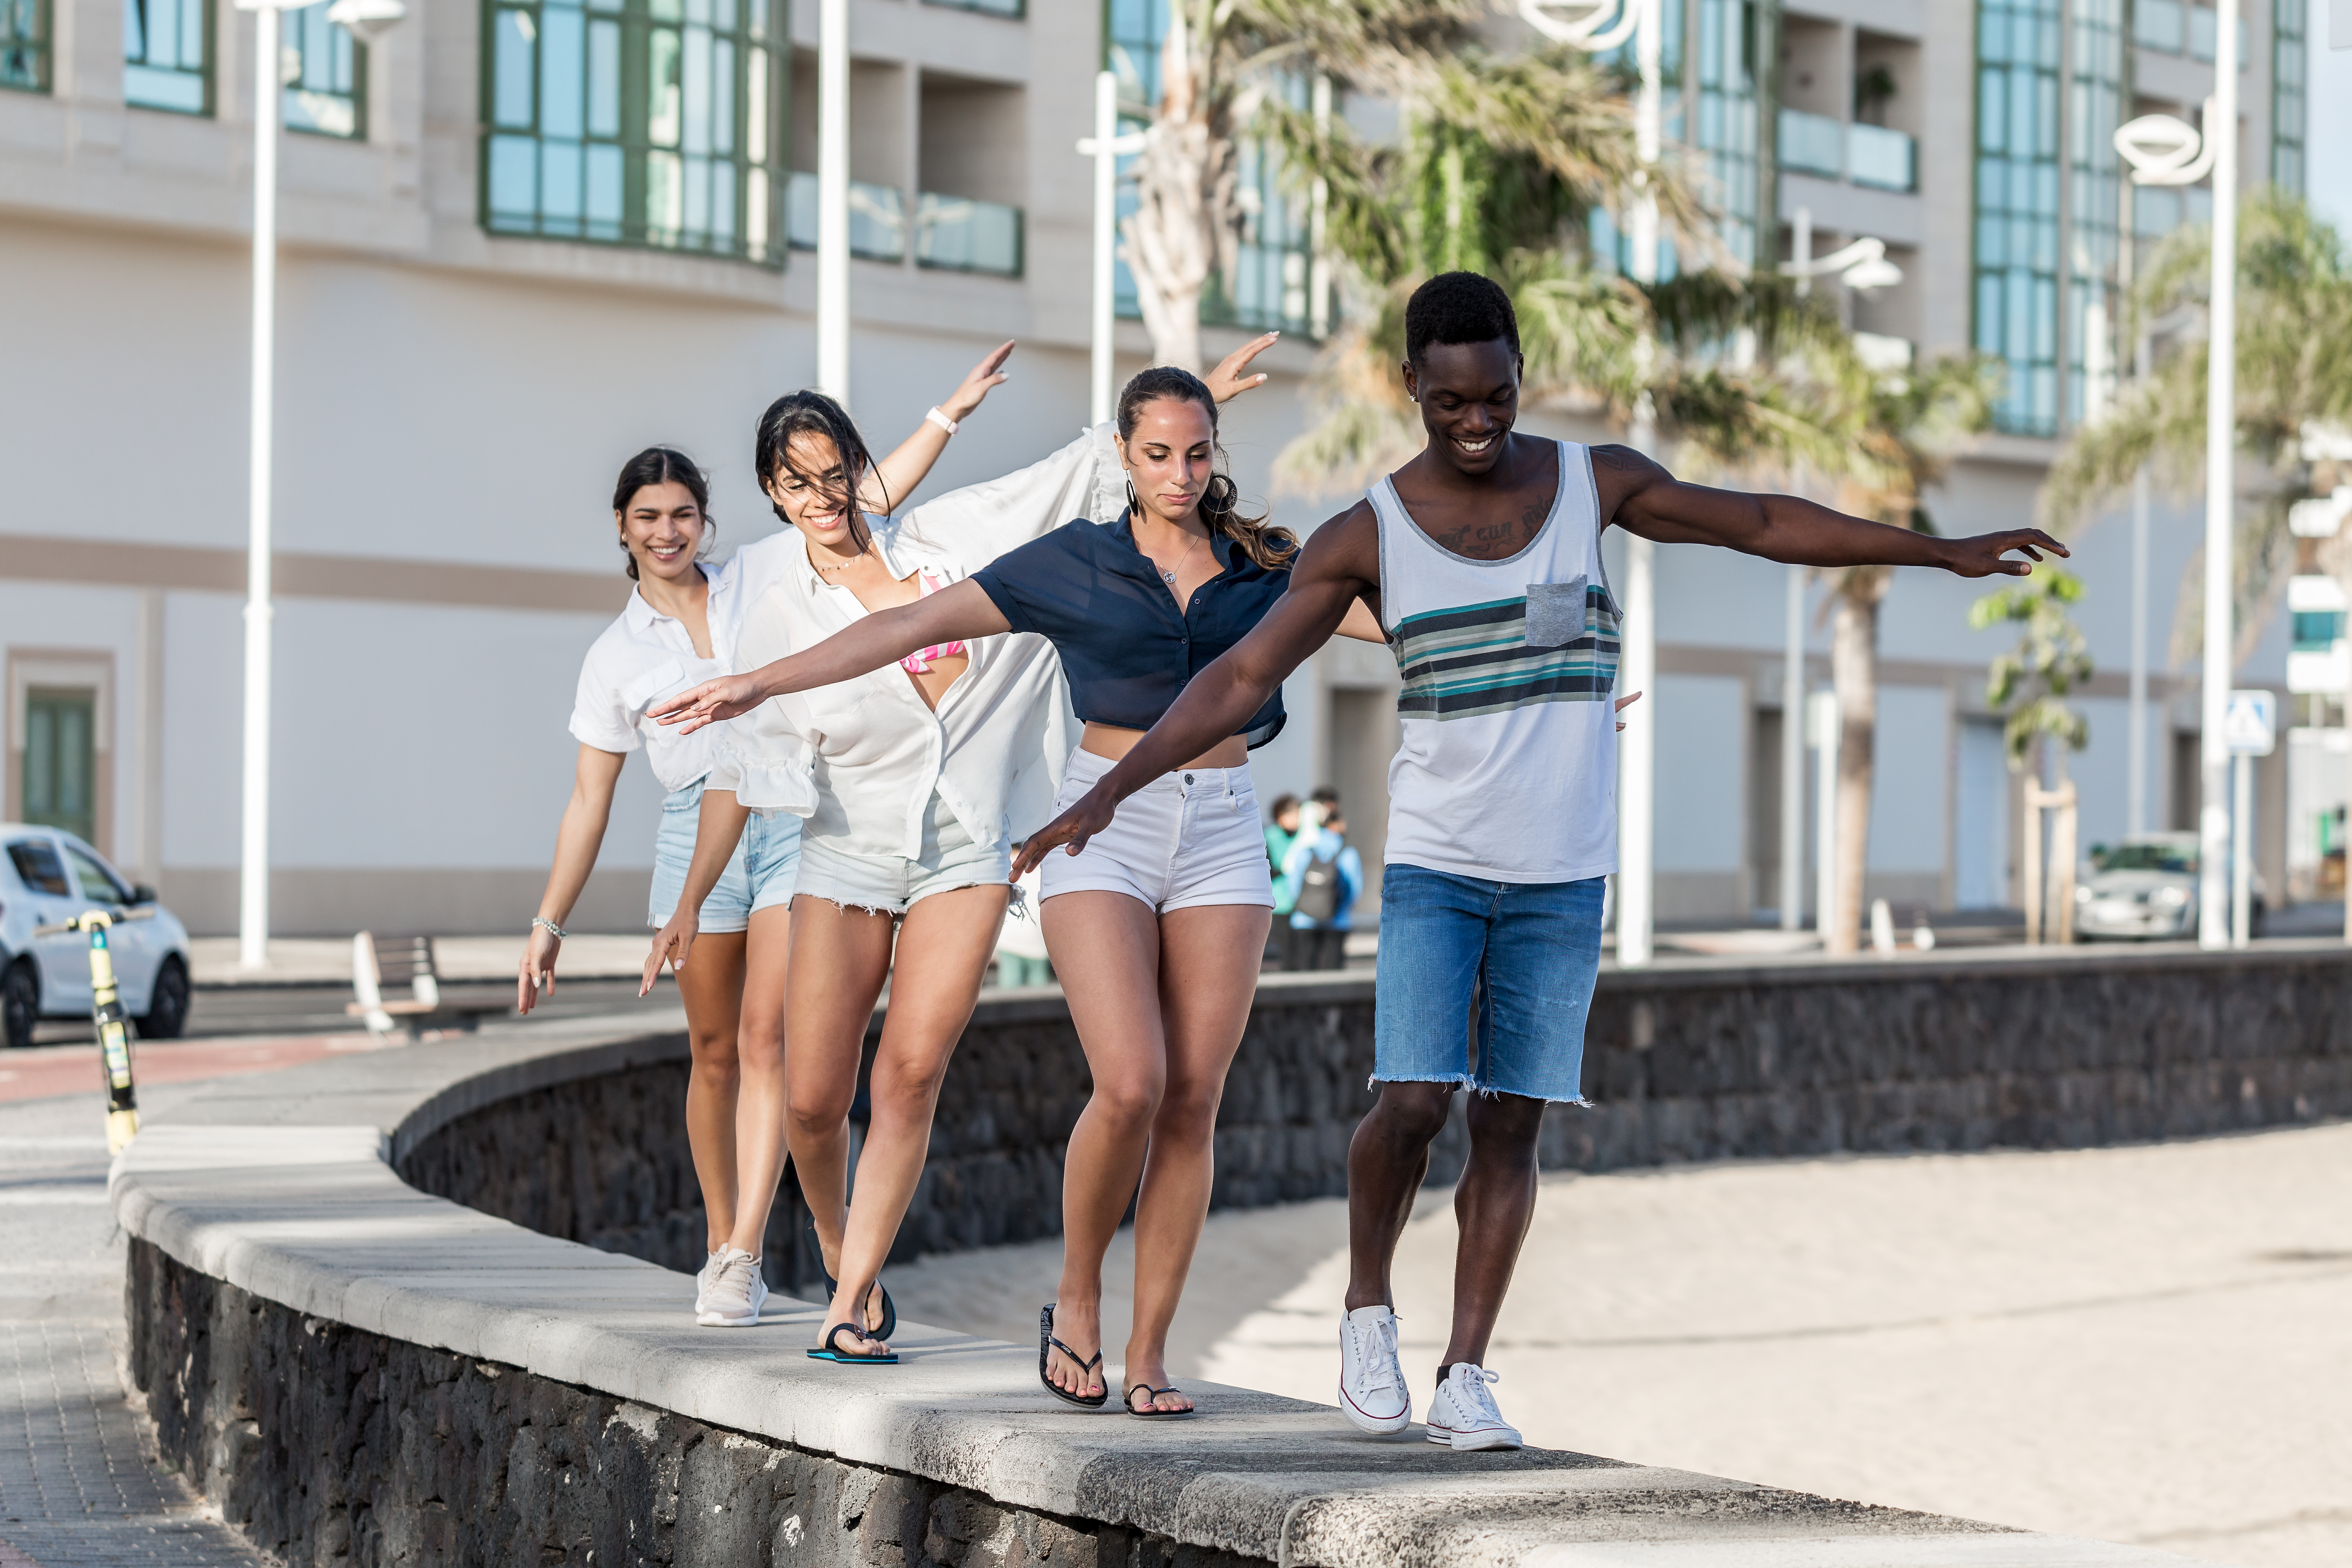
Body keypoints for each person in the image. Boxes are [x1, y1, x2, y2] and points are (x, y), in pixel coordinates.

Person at [1014, 271, 2068, 1450]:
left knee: (1512, 1120)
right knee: (1412, 1102)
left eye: (1499, 396)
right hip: (1437, 858)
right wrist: (1107, 790)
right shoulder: (1370, 530)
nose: (1478, 420)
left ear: (1521, 379)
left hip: (1563, 869)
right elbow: (1243, 678)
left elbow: (1761, 522)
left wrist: (1942, 551)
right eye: (1452, 399)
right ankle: (1368, 1308)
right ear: (1414, 386)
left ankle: (1467, 1369)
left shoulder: (1592, 483)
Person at [650, 352, 1390, 1414]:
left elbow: (1083, 473)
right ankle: (882, 1254)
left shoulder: (980, 542)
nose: (819, 501)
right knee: (829, 1100)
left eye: (833, 476)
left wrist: (1537, 689)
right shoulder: (814, 606)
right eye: (796, 484)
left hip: (999, 841)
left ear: (864, 471)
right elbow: (843, 684)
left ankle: (895, 1304)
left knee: (943, 1077)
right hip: (866, 846)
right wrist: (749, 696)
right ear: (773, 494)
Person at [518, 345, 1013, 1329]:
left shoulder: (761, 571)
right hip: (692, 830)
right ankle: (723, 1240)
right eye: (646, 517)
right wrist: (550, 920)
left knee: (766, 1037)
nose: (667, 532)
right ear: (621, 527)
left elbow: (857, 488)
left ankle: (757, 1248)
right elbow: (588, 799)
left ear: (711, 517)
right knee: (711, 1048)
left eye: (681, 514)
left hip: (791, 810)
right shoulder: (614, 655)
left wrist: (946, 416)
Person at [1281, 800, 1360, 971]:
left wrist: (1306, 906)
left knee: (1304, 979)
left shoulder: (1306, 850)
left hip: (1304, 921)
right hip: (1338, 922)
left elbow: (1293, 884)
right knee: (1332, 982)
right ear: (1336, 824)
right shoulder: (1347, 852)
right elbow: (1355, 889)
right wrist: (1337, 908)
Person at [993, 861, 1054, 987]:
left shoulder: (1002, 867)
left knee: (1010, 992)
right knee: (1040, 994)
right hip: (1036, 940)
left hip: (1011, 940)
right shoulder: (1044, 868)